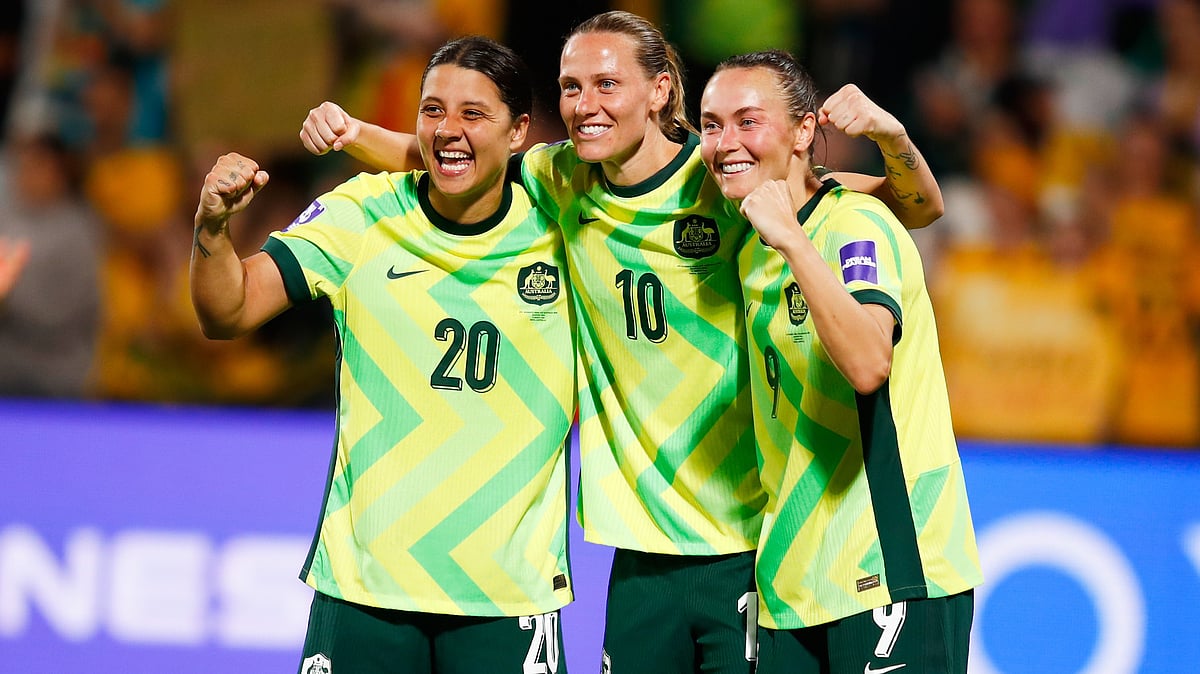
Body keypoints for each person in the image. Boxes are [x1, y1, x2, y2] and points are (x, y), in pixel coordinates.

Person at [299, 12, 944, 673]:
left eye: (606, 84)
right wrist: (353, 135)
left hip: (744, 543)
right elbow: (456, 158)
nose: (584, 105)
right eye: (571, 87)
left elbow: (906, 205)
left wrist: (893, 138)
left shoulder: (722, 174)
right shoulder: (562, 178)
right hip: (635, 549)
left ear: (660, 91)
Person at [190, 36, 575, 674]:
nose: (448, 130)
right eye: (432, 110)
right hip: (365, 586)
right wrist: (210, 228)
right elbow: (227, 312)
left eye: (474, 114)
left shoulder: (565, 221)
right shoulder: (361, 215)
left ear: (520, 132)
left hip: (509, 594)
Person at [697, 49, 982, 673]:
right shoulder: (751, 237)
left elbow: (868, 364)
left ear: (804, 131)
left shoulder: (855, 226)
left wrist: (795, 241)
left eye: (748, 120)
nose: (725, 142)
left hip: (889, 568)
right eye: (711, 124)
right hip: (790, 583)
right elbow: (923, 203)